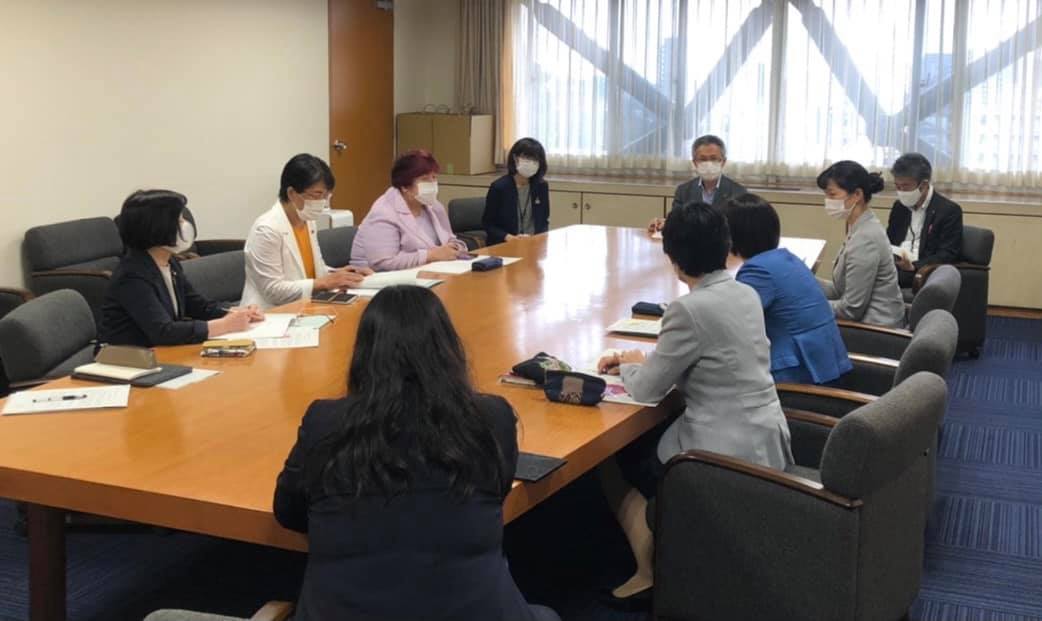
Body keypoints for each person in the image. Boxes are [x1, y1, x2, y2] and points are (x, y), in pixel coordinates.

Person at [272, 286, 560, 621]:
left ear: (365, 353)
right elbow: (496, 494)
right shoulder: (491, 418)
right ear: (447, 349)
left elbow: (289, 511)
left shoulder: (325, 421)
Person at [597, 202, 792, 604]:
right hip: (768, 435)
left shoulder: (688, 309)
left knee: (615, 455)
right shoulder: (745, 292)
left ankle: (648, 568)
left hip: (717, 453)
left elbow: (646, 390)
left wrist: (629, 363)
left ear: (674, 260)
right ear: (725, 246)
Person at [101, 190, 263, 347]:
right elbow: (163, 331)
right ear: (156, 227)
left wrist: (236, 312)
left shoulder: (169, 262)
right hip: (129, 357)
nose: (185, 226)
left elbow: (198, 306)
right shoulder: (131, 275)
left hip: (161, 352)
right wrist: (224, 325)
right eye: (179, 220)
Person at [724, 193, 852, 384]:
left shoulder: (757, 271)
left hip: (799, 379)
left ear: (733, 236)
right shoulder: (786, 258)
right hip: (827, 367)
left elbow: (731, 324)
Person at [241, 154, 371, 309]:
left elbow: (313, 272)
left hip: (305, 306)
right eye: (317, 195)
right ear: (292, 193)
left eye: (326, 196)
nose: (322, 202)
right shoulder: (266, 230)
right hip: (269, 313)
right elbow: (273, 290)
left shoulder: (307, 221)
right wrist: (325, 282)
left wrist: (341, 274)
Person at [817, 161, 906, 327]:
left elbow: (850, 310)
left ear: (857, 194)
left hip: (874, 328)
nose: (827, 201)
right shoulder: (861, 225)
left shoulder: (866, 239)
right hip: (865, 321)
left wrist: (805, 306)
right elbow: (840, 290)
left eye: (832, 195)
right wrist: (804, 279)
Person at [351, 149, 470, 271]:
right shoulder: (384, 212)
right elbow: (383, 263)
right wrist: (431, 255)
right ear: (404, 186)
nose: (432, 184)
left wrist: (456, 248)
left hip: (428, 271)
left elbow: (449, 239)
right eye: (425, 179)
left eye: (434, 177)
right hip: (375, 276)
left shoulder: (434, 206)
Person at [887, 152, 963, 288]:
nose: (901, 192)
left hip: (920, 270)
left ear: (923, 185)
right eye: (897, 186)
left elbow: (947, 253)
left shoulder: (948, 210)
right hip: (895, 267)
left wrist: (913, 266)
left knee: (877, 279)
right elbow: (890, 240)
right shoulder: (899, 207)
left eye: (905, 186)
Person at [648, 134, 747, 232]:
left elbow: (740, 229)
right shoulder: (683, 191)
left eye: (713, 158)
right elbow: (676, 222)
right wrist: (663, 224)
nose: (708, 164)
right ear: (695, 162)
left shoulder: (738, 192)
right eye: (703, 159)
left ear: (723, 162)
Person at [482, 137, 550, 245]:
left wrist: (538, 239)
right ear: (515, 158)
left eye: (535, 159)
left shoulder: (541, 186)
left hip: (533, 244)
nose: (531, 162)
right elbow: (488, 224)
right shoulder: (499, 187)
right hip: (505, 244)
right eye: (526, 157)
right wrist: (509, 238)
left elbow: (544, 221)